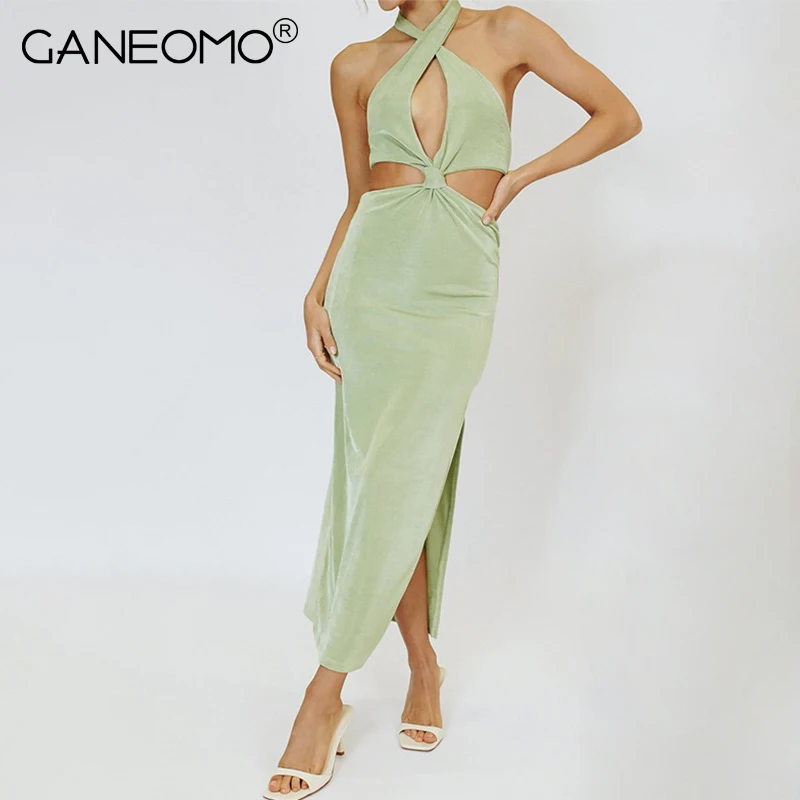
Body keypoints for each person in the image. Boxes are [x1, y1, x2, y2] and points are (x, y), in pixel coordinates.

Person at [264, 1, 641, 796]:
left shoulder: (507, 31)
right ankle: (403, 669)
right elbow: (359, 195)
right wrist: (318, 288)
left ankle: (333, 690)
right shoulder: (355, 64)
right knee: (390, 479)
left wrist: (520, 176)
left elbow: (618, 116)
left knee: (404, 472)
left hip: (457, 279)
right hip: (373, 280)